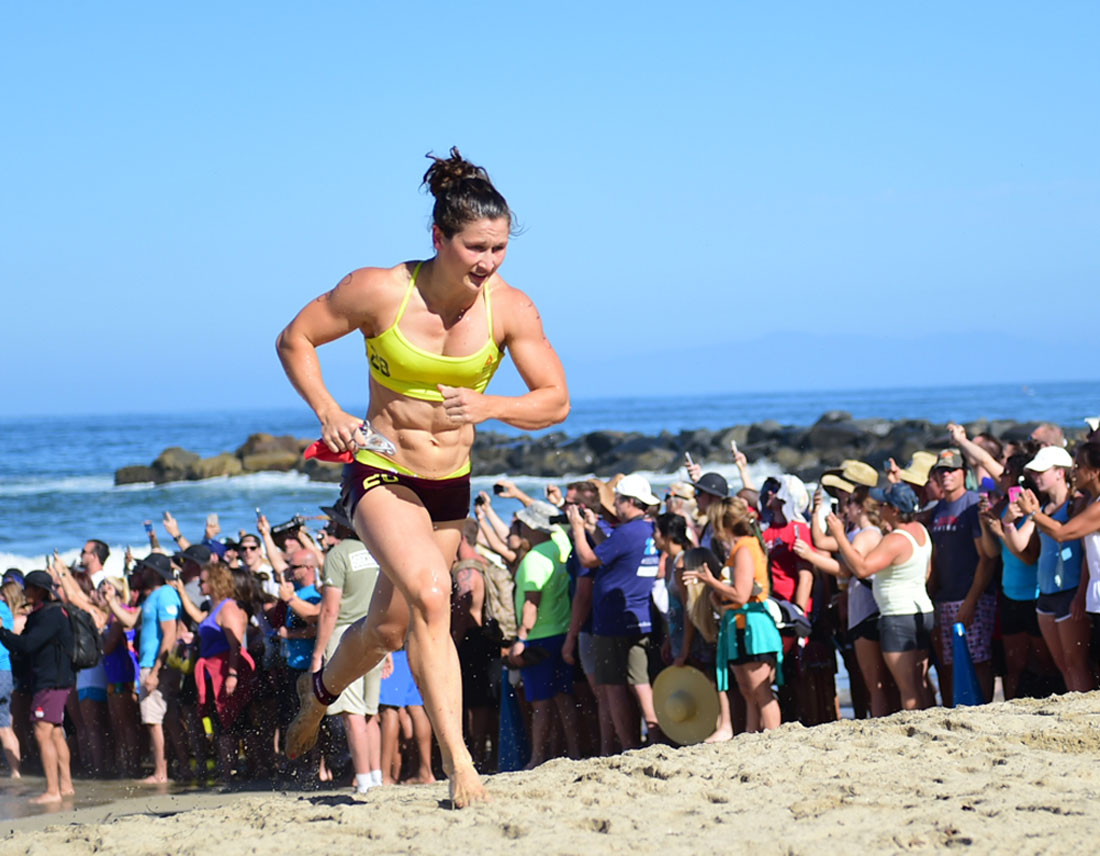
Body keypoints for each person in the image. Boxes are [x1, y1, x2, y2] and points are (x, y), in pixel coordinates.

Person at [278, 148, 569, 806]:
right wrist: (328, 410)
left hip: (451, 485)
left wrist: (493, 405)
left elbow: (554, 399)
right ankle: (460, 765)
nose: (487, 263)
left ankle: (319, 692)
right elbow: (294, 339)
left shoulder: (509, 309)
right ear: (439, 237)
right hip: (382, 471)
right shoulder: (380, 290)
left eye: (498, 249)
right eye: (475, 247)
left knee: (388, 627)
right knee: (436, 596)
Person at [567, 474, 661, 752]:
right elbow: (615, 551)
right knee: (641, 683)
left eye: (618, 499)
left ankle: (630, 745)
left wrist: (576, 529)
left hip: (614, 620)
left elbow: (588, 558)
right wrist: (596, 529)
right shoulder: (647, 529)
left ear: (631, 502)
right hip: (639, 615)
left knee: (614, 686)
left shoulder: (627, 532)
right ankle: (656, 740)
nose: (615, 505)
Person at [828, 483, 936, 710]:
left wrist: (839, 536)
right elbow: (926, 572)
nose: (879, 508)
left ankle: (916, 737)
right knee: (920, 682)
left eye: (883, 504)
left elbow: (862, 568)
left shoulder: (896, 539)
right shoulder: (920, 530)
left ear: (895, 510)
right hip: (922, 611)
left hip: (898, 616)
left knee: (907, 689)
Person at [685, 498, 782, 733]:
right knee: (748, 691)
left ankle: (774, 739)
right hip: (738, 623)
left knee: (761, 691)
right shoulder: (741, 547)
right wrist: (716, 595)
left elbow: (741, 594)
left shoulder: (745, 548)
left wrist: (709, 582)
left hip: (751, 626)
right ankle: (751, 735)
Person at [1009, 446, 1093, 693]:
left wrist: (1032, 514)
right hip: (1046, 593)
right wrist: (1007, 523)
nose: (1036, 477)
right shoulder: (1044, 508)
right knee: (1063, 666)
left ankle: (1085, 717)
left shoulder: (1076, 504)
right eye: (1034, 473)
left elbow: (1063, 535)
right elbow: (1023, 550)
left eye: (1041, 472)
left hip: (1070, 590)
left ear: (1060, 472)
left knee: (1076, 664)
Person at [506, 502, 579, 768]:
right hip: (562, 631)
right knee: (563, 697)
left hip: (539, 636)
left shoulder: (535, 558)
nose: (522, 526)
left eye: (524, 523)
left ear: (533, 527)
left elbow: (531, 603)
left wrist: (521, 639)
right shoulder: (562, 547)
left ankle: (537, 757)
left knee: (541, 703)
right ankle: (574, 751)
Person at [104, 553, 182, 784]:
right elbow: (129, 621)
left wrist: (157, 670)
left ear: (155, 572)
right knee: (164, 718)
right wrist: (110, 602)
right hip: (150, 665)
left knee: (154, 719)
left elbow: (170, 635)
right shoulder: (152, 598)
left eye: (145, 569)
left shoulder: (166, 594)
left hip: (157, 666)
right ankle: (174, 768)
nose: (141, 573)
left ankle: (161, 773)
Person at [0, 571, 75, 804]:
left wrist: (1, 631)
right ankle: (66, 786)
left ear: (39, 590)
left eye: (29, 588)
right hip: (54, 680)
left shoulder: (50, 615)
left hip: (51, 681)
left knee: (44, 733)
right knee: (54, 733)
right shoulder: (47, 613)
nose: (25, 593)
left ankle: (53, 790)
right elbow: (25, 645)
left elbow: (28, 645)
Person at [927, 448, 994, 705]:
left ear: (963, 473)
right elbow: (935, 558)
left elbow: (986, 558)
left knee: (979, 661)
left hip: (972, 594)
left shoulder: (972, 504)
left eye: (952, 469)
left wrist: (972, 600)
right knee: (950, 661)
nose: (946, 475)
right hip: (945, 597)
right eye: (942, 470)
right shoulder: (939, 509)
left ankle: (984, 707)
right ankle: (958, 708)